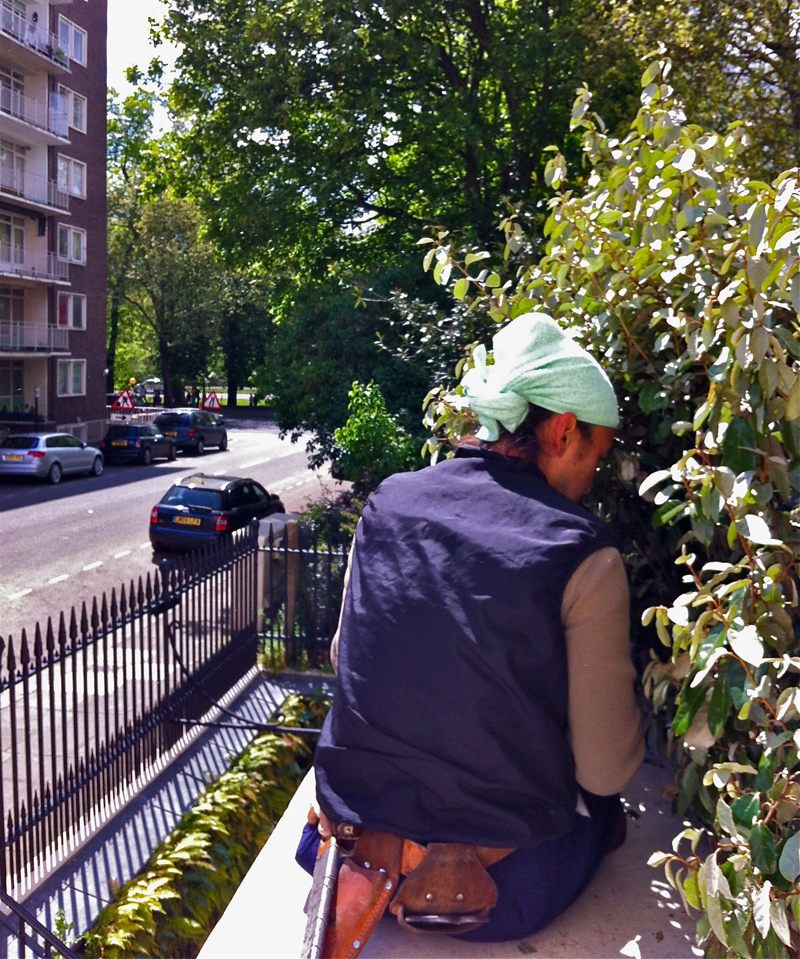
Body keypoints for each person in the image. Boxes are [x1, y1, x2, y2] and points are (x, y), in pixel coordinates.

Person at [298, 312, 644, 953]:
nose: (594, 474)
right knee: (604, 815)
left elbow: (349, 656)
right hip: (503, 896)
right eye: (597, 451)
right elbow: (603, 770)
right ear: (564, 430)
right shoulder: (580, 549)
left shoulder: (389, 501)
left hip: (344, 860)